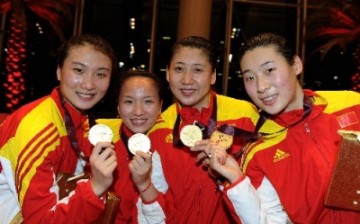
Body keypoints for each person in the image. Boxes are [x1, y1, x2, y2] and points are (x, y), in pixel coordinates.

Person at [204, 32, 360, 223]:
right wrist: (236, 180)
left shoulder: (351, 105)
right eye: (250, 78)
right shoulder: (259, 153)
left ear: (295, 65)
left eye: (269, 70)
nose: (261, 86)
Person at [130, 36, 261, 223]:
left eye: (198, 70)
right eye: (178, 69)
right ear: (167, 73)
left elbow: (265, 184)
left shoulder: (245, 116)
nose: (187, 80)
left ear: (213, 75)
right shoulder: (159, 127)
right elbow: (155, 198)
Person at [0, 34, 118, 224]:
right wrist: (96, 187)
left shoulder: (75, 117)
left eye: (100, 74)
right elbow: (40, 221)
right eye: (79, 70)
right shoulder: (39, 128)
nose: (89, 84)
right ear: (59, 72)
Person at [97, 70, 163, 223]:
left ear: (160, 106)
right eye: (128, 102)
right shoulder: (100, 144)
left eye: (148, 101)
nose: (138, 111)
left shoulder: (173, 148)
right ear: (118, 107)